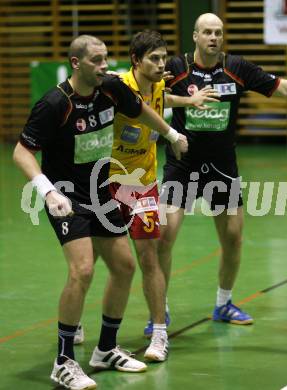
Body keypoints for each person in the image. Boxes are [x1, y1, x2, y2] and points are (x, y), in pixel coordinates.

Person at [13, 35, 187, 390]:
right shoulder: (54, 104)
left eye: (106, 58)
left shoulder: (110, 89)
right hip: (66, 196)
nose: (105, 66)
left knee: (124, 267)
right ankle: (63, 361)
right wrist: (47, 192)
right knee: (83, 269)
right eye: (96, 60)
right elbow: (21, 152)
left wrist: (170, 133)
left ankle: (106, 349)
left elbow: (139, 110)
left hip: (101, 191)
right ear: (77, 64)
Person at [157, 13, 287, 326]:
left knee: (233, 238)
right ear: (194, 36)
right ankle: (159, 310)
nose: (213, 37)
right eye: (207, 32)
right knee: (164, 236)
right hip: (183, 164)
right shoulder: (177, 69)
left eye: (218, 32)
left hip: (222, 165)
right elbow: (150, 96)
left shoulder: (236, 68)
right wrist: (185, 102)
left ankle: (224, 304)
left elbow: (281, 87)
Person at [108, 30, 218, 361]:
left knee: (149, 255)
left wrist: (188, 100)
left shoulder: (157, 85)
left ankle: (159, 332)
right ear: (135, 60)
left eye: (163, 57)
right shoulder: (116, 87)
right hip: (104, 183)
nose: (161, 64)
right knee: (98, 258)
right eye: (153, 59)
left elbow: (160, 101)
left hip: (141, 183)